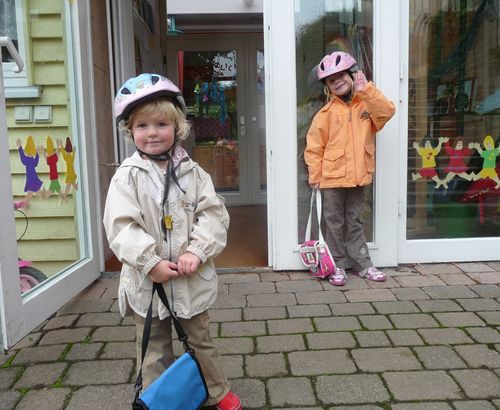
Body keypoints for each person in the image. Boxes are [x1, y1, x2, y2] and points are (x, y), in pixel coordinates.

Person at [103, 73, 242, 410]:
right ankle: (158, 401)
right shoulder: (126, 177)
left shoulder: (194, 174)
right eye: (142, 125)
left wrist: (197, 250)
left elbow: (213, 215)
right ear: (130, 130)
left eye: (161, 124)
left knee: (200, 341)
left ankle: (215, 391)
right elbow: (121, 226)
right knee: (152, 348)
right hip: (147, 284)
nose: (152, 132)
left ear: (178, 127)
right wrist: (149, 262)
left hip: (189, 280)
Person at [304, 51, 395, 286]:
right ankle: (337, 265)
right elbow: (314, 147)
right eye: (331, 80)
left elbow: (387, 112)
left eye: (341, 76)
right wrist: (315, 175)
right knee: (333, 222)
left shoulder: (366, 105)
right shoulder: (325, 114)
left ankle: (362, 263)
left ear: (352, 76)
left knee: (354, 221)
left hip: (358, 176)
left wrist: (367, 90)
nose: (338, 82)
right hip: (331, 179)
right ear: (327, 87)